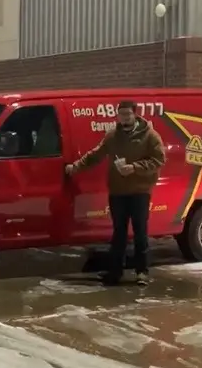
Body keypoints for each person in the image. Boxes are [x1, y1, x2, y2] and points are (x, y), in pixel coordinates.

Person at [65, 100, 165, 286]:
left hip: (139, 192)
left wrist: (134, 168)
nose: (124, 118)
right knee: (118, 233)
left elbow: (159, 160)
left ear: (135, 114)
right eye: (121, 114)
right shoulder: (113, 136)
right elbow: (96, 154)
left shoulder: (149, 135)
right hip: (118, 192)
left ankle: (141, 272)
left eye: (128, 114)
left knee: (140, 233)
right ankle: (115, 272)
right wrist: (76, 166)